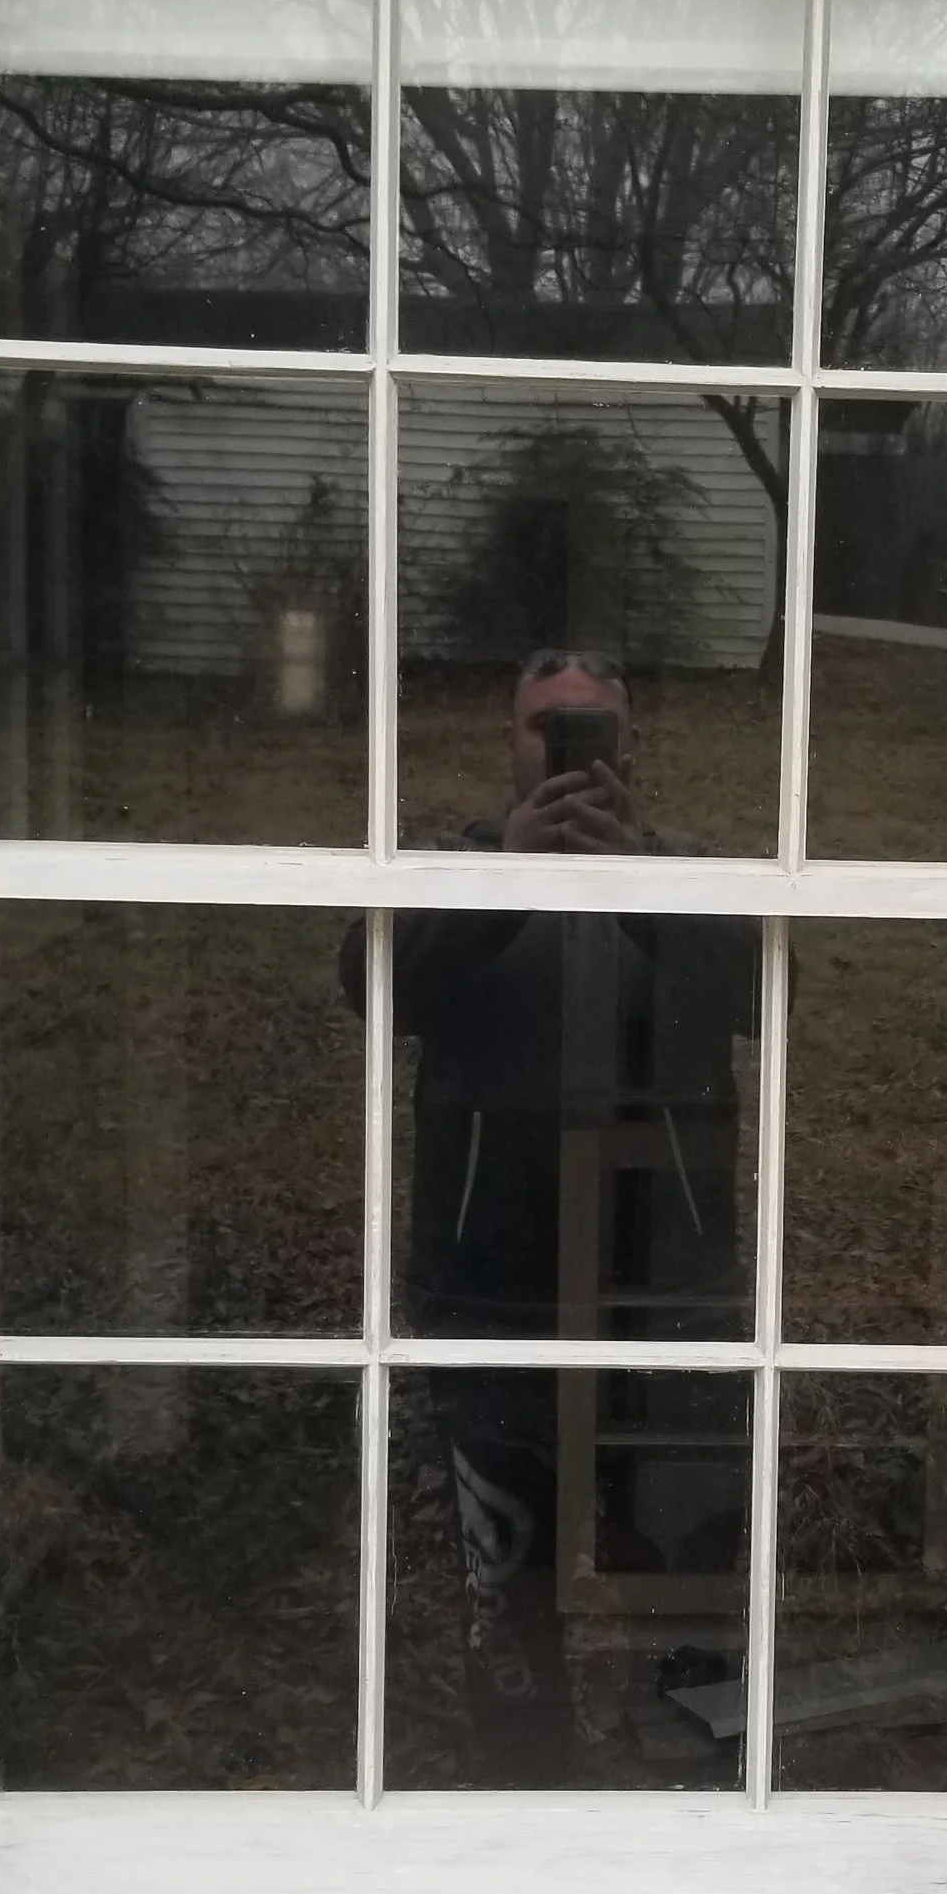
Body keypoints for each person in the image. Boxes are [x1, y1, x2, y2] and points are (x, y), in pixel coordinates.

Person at [340, 654, 756, 1776]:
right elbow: (371, 987)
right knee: (510, 1579)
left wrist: (634, 888)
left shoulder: (681, 874)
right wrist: (510, 879)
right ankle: (517, 1795)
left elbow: (768, 997)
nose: (568, 752)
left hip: (665, 1286)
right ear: (507, 741)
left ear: (635, 749)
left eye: (594, 733)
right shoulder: (451, 872)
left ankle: (693, 1795)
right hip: (490, 1285)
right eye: (546, 730)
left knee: (684, 1564)